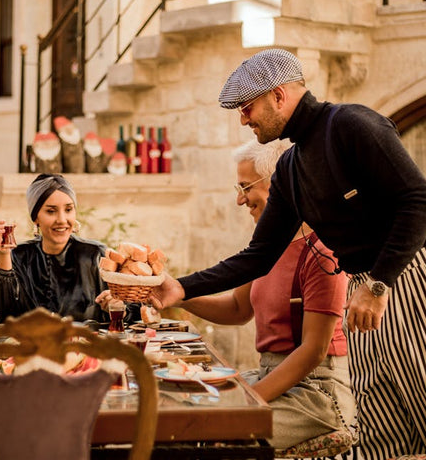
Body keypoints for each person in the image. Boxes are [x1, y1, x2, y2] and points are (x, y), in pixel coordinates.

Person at [150, 48, 426, 460]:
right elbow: (257, 256)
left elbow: (417, 199)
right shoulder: (291, 168)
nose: (244, 119)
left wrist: (379, 283)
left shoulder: (352, 123)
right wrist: (178, 288)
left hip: (403, 279)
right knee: (383, 435)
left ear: (279, 96)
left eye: (248, 108)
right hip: (363, 293)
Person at [180, 138, 355, 450]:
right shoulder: (267, 246)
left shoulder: (322, 251)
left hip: (315, 394)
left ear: (279, 182)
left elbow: (313, 351)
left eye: (246, 187)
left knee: (217, 437)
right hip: (271, 373)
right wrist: (176, 293)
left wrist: (249, 398)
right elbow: (236, 309)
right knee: (190, 410)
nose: (240, 199)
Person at [0, 173, 109, 323]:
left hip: (87, 345)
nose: (62, 220)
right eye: (51, 211)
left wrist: (116, 306)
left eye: (68, 209)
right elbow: (1, 316)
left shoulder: (96, 255)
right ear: (36, 218)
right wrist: (4, 254)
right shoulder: (18, 257)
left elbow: (128, 315)